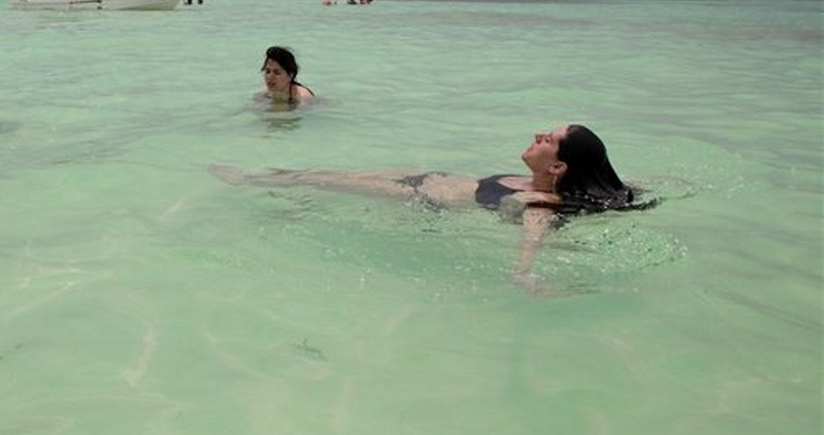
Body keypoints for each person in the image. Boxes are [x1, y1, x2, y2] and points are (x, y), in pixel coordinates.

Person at [213, 124, 652, 289]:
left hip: (423, 200)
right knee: (330, 173)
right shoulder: (534, 182)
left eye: (547, 139)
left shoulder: (537, 203)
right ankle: (273, 183)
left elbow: (528, 252)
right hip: (429, 178)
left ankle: (251, 182)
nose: (537, 133)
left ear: (557, 166)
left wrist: (528, 278)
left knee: (331, 180)